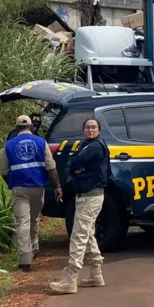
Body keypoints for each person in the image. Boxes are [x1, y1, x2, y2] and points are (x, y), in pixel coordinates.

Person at [50, 118, 111, 294]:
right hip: (87, 196)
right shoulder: (87, 145)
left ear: (99, 130)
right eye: (87, 127)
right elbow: (73, 165)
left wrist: (77, 169)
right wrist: (76, 168)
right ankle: (95, 274)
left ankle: (71, 278)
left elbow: (75, 163)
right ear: (83, 130)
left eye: (93, 127)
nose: (90, 129)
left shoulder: (94, 147)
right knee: (88, 234)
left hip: (90, 196)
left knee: (78, 236)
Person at [0, 115, 61, 272]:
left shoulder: (8, 145)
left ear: (16, 128)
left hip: (19, 188)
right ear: (31, 127)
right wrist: (57, 186)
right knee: (34, 219)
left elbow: (3, 170)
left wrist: (10, 184)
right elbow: (50, 166)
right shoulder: (41, 142)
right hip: (38, 187)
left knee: (22, 222)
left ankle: (25, 260)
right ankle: (34, 248)